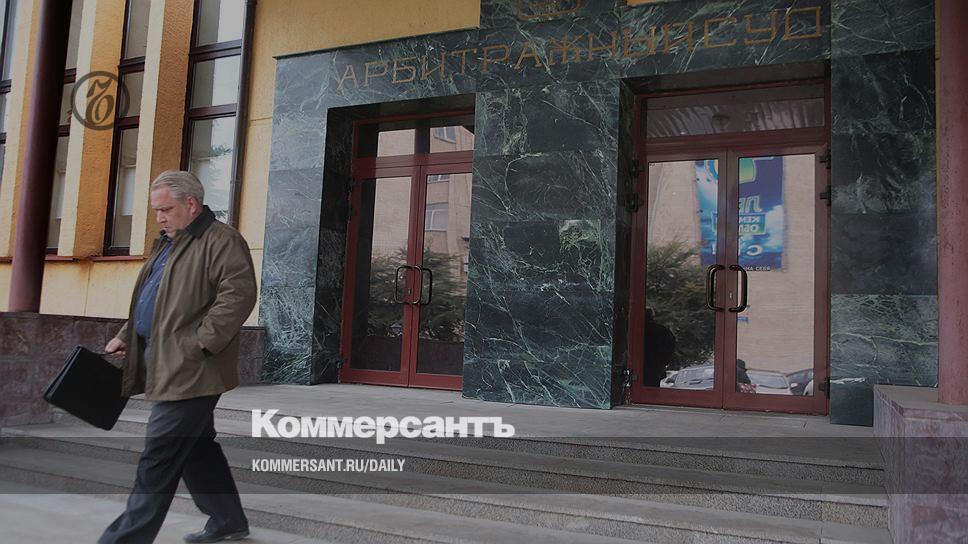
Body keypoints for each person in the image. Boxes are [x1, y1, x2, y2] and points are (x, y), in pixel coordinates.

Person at [98, 171, 258, 544]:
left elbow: (239, 294)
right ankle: (228, 520)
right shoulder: (169, 244)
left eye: (165, 209)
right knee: (196, 448)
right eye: (156, 210)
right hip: (165, 361)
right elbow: (154, 299)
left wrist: (201, 342)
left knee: (158, 457)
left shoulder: (221, 240)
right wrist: (127, 334)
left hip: (193, 368)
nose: (159, 218)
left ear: (191, 203)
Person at [642, 308, 676, 387]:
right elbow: (670, 346)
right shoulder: (662, 330)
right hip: (655, 368)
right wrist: (664, 362)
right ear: (652, 316)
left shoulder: (636, 330)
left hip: (643, 367)